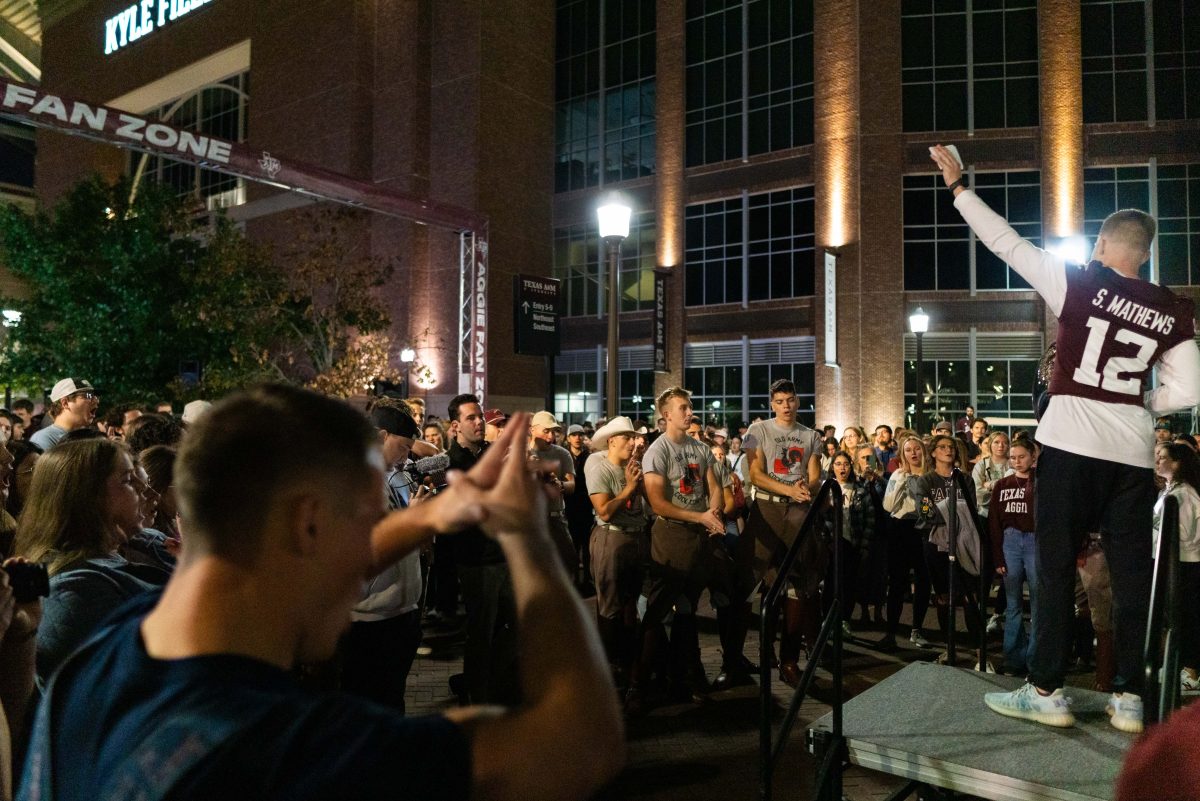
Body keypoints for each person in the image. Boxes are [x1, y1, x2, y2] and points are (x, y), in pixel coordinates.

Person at [18, 387, 624, 801]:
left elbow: (302, 557)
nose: (369, 551)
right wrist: (525, 535)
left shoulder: (103, 650)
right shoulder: (291, 749)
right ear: (307, 523)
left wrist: (448, 510)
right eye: (364, 520)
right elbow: (578, 744)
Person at [932, 143, 1200, 733]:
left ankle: (1046, 687)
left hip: (1072, 444)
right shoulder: (1171, 309)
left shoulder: (1078, 284)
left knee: (1055, 567)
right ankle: (1130, 695)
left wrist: (959, 187)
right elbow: (1188, 390)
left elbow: (1006, 243)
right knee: (1132, 573)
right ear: (1147, 254)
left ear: (1103, 245)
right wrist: (1143, 402)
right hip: (1131, 454)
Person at [14, 439, 165, 683]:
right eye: (127, 480)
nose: (143, 488)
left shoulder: (128, 549)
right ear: (86, 497)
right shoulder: (73, 592)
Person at [631, 387, 726, 710]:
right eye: (683, 408)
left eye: (690, 407)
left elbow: (715, 488)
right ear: (666, 415)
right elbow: (658, 502)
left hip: (697, 537)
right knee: (658, 610)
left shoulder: (700, 449)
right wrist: (699, 515)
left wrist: (712, 512)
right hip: (671, 536)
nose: (689, 412)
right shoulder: (657, 451)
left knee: (688, 609)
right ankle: (639, 683)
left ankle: (684, 677)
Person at [341, 404, 425, 712]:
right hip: (369, 621)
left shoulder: (394, 477)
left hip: (401, 614)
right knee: (371, 706)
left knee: (392, 702)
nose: (406, 455)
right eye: (402, 447)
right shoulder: (354, 481)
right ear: (381, 435)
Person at [741, 379, 823, 687]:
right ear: (771, 404)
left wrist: (806, 488)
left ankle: (789, 660)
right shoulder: (756, 433)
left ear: (798, 401)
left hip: (798, 509)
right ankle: (759, 652)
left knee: (797, 585)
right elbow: (755, 473)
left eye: (790, 399)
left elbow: (814, 474)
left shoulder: (811, 435)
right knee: (760, 578)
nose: (786, 405)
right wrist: (788, 488)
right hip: (766, 508)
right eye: (780, 400)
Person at [446, 394, 516, 705]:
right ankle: (475, 692)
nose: (479, 423)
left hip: (505, 554)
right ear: (455, 425)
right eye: (471, 418)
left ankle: (495, 683)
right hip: (477, 559)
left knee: (513, 625)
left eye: (479, 417)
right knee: (482, 630)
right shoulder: (452, 463)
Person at [585, 416, 646, 689]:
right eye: (626, 438)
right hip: (612, 539)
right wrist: (631, 487)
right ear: (611, 441)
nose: (632, 443)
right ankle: (609, 669)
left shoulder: (634, 467)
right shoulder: (602, 468)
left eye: (633, 438)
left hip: (636, 539)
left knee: (631, 604)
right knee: (609, 606)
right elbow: (605, 511)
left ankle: (627, 663)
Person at [877, 436, 935, 651]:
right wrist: (901, 481)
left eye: (917, 449)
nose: (913, 453)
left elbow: (930, 509)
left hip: (923, 529)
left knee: (923, 580)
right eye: (908, 450)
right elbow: (888, 505)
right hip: (900, 527)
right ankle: (890, 632)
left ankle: (916, 630)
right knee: (897, 581)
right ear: (902, 454)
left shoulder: (931, 475)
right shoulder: (898, 474)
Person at [1152, 442, 1200, 692]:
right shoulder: (1168, 491)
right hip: (1168, 562)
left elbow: (1184, 533)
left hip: (1184, 563)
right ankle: (1179, 664)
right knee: (1172, 616)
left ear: (1178, 463)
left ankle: (1191, 670)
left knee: (1185, 616)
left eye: (1163, 457)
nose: (1157, 461)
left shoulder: (1185, 494)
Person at [989, 436, 1037, 675]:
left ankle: (1036, 659)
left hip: (1034, 540)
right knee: (1013, 602)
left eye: (1022, 457)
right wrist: (998, 557)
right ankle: (1013, 658)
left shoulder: (1041, 483)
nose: (1017, 461)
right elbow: (994, 523)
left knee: (1039, 602)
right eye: (1013, 457)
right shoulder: (1003, 485)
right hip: (1010, 540)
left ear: (1033, 456)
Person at [28, 379, 99, 451]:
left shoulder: (88, 437)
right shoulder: (43, 439)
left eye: (95, 396)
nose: (96, 400)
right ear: (65, 403)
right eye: (88, 396)